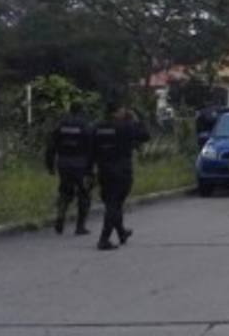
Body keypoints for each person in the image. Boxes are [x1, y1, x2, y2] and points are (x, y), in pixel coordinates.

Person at [91, 103, 150, 251]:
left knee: (112, 203)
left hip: (103, 170)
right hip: (121, 172)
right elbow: (145, 135)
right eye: (122, 109)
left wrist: (89, 171)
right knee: (114, 204)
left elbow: (90, 150)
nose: (125, 111)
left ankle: (121, 232)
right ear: (115, 113)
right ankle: (103, 240)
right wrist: (137, 119)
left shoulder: (97, 128)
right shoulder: (125, 126)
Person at [44, 101, 95, 235]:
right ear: (82, 110)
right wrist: (91, 169)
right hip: (80, 163)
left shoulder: (61, 125)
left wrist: (50, 166)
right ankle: (80, 227)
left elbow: (51, 147)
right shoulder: (85, 125)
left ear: (70, 110)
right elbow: (92, 148)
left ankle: (60, 216)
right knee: (84, 194)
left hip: (63, 162)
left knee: (65, 191)